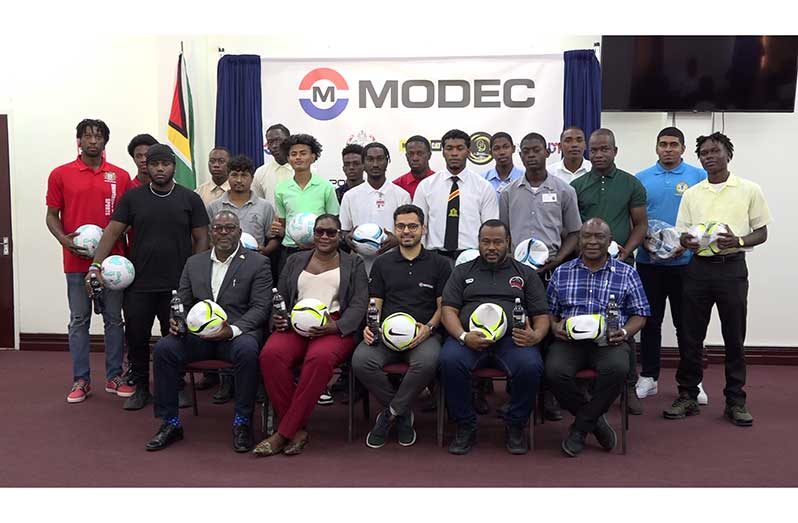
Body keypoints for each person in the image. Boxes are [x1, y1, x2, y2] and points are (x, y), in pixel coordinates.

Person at [88, 144, 210, 410]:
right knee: (137, 337)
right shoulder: (134, 198)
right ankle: (141, 387)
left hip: (178, 284)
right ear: (147, 167)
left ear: (173, 167)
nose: (159, 168)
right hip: (139, 284)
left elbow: (202, 237)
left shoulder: (190, 199)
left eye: (165, 164)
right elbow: (112, 232)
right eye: (154, 164)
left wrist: (197, 273)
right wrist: (95, 265)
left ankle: (176, 386)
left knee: (175, 337)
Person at [665, 132, 772, 427]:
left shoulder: (749, 189)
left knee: (734, 336)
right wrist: (686, 241)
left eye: (715, 151)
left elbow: (761, 232)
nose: (709, 156)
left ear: (729, 154)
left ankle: (735, 400)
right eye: (704, 153)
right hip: (698, 268)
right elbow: (681, 233)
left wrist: (737, 239)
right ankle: (687, 394)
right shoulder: (692, 193)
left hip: (732, 268)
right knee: (690, 335)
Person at [145, 211, 271, 452]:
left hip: (235, 334)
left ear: (239, 232)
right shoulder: (194, 263)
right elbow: (181, 301)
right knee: (164, 349)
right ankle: (170, 423)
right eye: (219, 228)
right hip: (198, 336)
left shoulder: (258, 263)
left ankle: (242, 422)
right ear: (211, 233)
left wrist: (233, 330)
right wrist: (177, 320)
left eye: (230, 228)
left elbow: (261, 307)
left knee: (248, 349)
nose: (224, 232)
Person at [253, 214, 368, 456]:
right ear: (313, 234)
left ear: (340, 235)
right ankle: (296, 430)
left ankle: (282, 433)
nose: (324, 236)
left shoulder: (353, 263)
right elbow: (281, 295)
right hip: (296, 324)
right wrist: (279, 316)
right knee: (270, 355)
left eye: (331, 232)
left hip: (333, 325)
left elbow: (359, 303)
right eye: (320, 231)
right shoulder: (295, 260)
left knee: (319, 359)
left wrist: (335, 327)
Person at [439, 220, 550, 455]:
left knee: (531, 366)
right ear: (478, 243)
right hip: (469, 339)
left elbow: (541, 314)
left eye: (498, 242)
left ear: (508, 243)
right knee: (448, 361)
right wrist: (462, 335)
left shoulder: (526, 274)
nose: (491, 247)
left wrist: (536, 335)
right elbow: (448, 310)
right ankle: (465, 424)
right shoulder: (462, 272)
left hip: (513, 339)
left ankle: (515, 424)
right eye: (486, 242)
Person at [546, 218, 650, 457]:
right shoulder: (562, 272)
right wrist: (553, 327)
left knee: (617, 369)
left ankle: (580, 429)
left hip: (609, 340)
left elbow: (640, 315)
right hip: (569, 341)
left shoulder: (626, 273)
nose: (592, 241)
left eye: (599, 237)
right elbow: (549, 312)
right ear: (579, 240)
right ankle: (595, 422)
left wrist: (624, 332)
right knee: (553, 372)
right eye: (587, 236)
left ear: (610, 241)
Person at [498, 131, 583, 421]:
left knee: (548, 334)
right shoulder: (508, 192)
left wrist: (559, 258)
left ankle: (548, 397)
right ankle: (516, 393)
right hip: (517, 274)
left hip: (552, 271)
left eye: (536, 149)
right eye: (526, 151)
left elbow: (574, 232)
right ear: (520, 155)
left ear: (548, 152)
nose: (531, 155)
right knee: (518, 328)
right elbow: (503, 234)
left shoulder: (563, 190)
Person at [352, 204, 451, 448]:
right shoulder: (382, 263)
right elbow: (375, 302)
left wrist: (428, 328)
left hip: (423, 335)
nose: (407, 231)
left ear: (423, 229)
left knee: (427, 362)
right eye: (401, 226)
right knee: (361, 361)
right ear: (394, 229)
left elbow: (443, 307)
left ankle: (389, 414)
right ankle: (402, 412)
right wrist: (370, 325)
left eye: (413, 226)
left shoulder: (439, 264)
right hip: (386, 335)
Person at [45, 118, 130, 403]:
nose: (93, 141)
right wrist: (65, 240)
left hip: (113, 264)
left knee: (114, 321)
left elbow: (129, 218)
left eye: (98, 136)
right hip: (76, 262)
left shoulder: (120, 175)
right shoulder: (60, 174)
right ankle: (80, 380)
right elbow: (51, 215)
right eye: (87, 136)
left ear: (105, 141)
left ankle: (114, 375)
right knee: (79, 320)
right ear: (78, 141)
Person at [571, 128, 648, 414]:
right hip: (584, 265)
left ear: (616, 151)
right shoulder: (577, 185)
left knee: (622, 324)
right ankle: (585, 385)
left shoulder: (631, 184)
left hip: (620, 265)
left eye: (605, 149)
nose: (600, 154)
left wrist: (625, 252)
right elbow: (572, 228)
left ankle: (628, 384)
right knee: (582, 317)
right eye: (595, 149)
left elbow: (640, 224)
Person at [634, 127, 707, 402]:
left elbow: (704, 217)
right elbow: (635, 221)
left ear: (683, 149)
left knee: (686, 324)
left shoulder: (698, 177)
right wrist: (648, 243)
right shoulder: (640, 179)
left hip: (686, 264)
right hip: (648, 264)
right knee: (650, 321)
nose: (668, 149)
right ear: (656, 148)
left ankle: (693, 380)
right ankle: (649, 376)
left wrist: (686, 244)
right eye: (663, 144)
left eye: (673, 144)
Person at [413, 129, 499, 261]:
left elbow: (490, 229)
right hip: (434, 257)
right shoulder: (426, 186)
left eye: (460, 148)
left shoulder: (484, 187)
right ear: (443, 152)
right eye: (449, 148)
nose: (454, 153)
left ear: (468, 152)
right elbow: (418, 226)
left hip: (472, 257)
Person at [340, 142, 410, 273]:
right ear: (363, 163)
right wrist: (347, 238)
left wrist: (396, 240)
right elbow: (344, 231)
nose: (375, 164)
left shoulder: (402, 195)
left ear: (387, 161)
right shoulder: (350, 196)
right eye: (370, 159)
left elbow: (409, 230)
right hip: (360, 265)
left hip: (395, 264)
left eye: (380, 159)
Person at [273, 134, 340, 266]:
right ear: (288, 158)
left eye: (303, 153)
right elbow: (283, 222)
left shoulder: (326, 187)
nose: (298, 157)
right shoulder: (281, 189)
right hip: (290, 249)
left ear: (313, 157)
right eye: (293, 154)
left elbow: (333, 220)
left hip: (319, 250)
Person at [207, 154, 279, 257]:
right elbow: (209, 238)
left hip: (255, 262)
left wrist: (266, 251)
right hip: (223, 261)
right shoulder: (214, 207)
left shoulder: (265, 207)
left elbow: (273, 238)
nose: (239, 180)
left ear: (252, 178)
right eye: (234, 175)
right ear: (228, 176)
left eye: (244, 175)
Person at [252, 123, 293, 204]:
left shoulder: (306, 171)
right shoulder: (260, 173)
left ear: (289, 141)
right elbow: (257, 205)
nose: (274, 146)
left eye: (278, 140)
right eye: (270, 142)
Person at [482, 132, 523, 199]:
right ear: (490, 153)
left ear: (513, 149)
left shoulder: (524, 177)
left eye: (506, 147)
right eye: (496, 148)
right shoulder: (482, 179)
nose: (502, 152)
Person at [393, 135, 435, 199]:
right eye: (411, 154)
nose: (415, 158)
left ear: (429, 155)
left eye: (420, 153)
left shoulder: (439, 182)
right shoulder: (397, 186)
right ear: (406, 157)